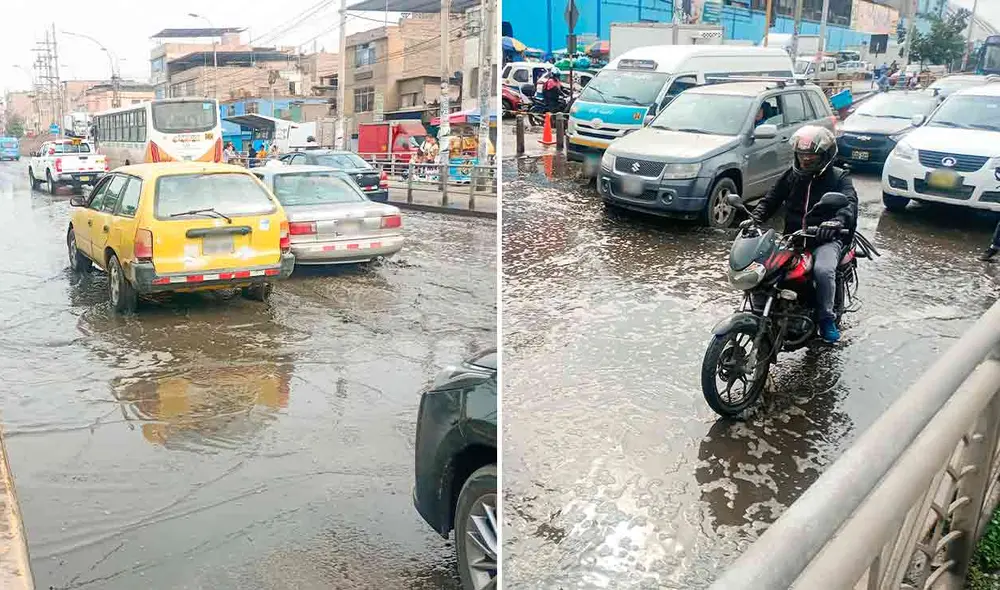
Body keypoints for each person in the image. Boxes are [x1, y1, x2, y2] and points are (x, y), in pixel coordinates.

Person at [748, 125, 859, 343]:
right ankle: (763, 311)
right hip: (793, 237)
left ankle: (827, 319)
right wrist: (754, 217)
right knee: (763, 267)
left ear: (825, 156)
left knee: (823, 269)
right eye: (802, 155)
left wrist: (836, 222)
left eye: (811, 156)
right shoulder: (791, 176)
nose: (806, 160)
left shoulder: (839, 177)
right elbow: (771, 199)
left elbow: (850, 204)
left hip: (825, 239)